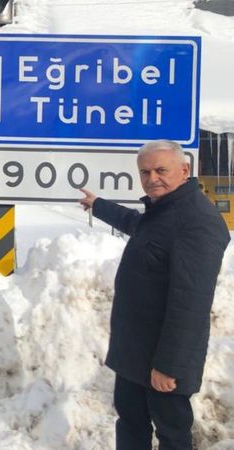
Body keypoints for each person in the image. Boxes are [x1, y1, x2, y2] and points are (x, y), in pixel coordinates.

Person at [78, 139, 229, 449]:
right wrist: (99, 205)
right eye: (145, 172)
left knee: (171, 434)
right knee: (131, 423)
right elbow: (141, 227)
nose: (151, 178)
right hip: (135, 350)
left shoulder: (197, 221)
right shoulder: (165, 208)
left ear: (184, 170)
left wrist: (169, 365)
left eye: (161, 170)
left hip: (163, 357)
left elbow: (191, 302)